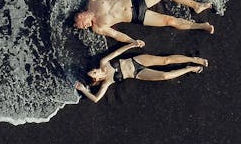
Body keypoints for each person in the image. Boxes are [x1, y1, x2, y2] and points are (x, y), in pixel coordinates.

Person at [74, 40, 208, 103]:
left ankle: (194, 59)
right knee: (165, 75)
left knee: (165, 61)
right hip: (137, 74)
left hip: (137, 61)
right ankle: (189, 68)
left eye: (93, 70)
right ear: (95, 79)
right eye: (94, 73)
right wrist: (83, 90)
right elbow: (96, 99)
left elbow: (117, 52)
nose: (94, 70)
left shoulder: (103, 63)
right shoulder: (106, 82)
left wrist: (132, 44)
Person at [73, 0, 213, 44]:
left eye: (82, 25)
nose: (85, 27)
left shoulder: (93, 0)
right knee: (169, 21)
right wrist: (132, 41)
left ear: (81, 15)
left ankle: (196, 6)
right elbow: (116, 35)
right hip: (137, 17)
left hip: (137, 1)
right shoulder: (97, 27)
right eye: (83, 28)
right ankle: (201, 26)